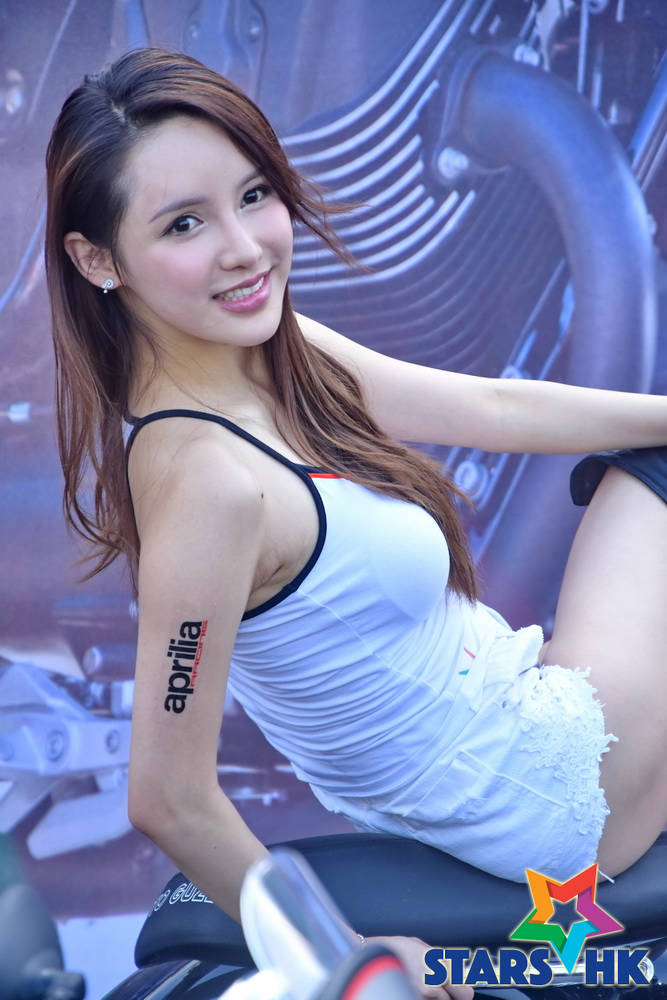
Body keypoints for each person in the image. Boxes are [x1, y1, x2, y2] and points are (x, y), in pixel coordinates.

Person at [45, 47, 666, 998]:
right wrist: (347, 957)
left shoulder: (268, 357)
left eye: (254, 196)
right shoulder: (207, 485)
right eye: (184, 223)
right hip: (549, 798)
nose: (245, 248)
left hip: (518, 715)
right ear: (97, 259)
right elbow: (167, 797)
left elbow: (491, 408)